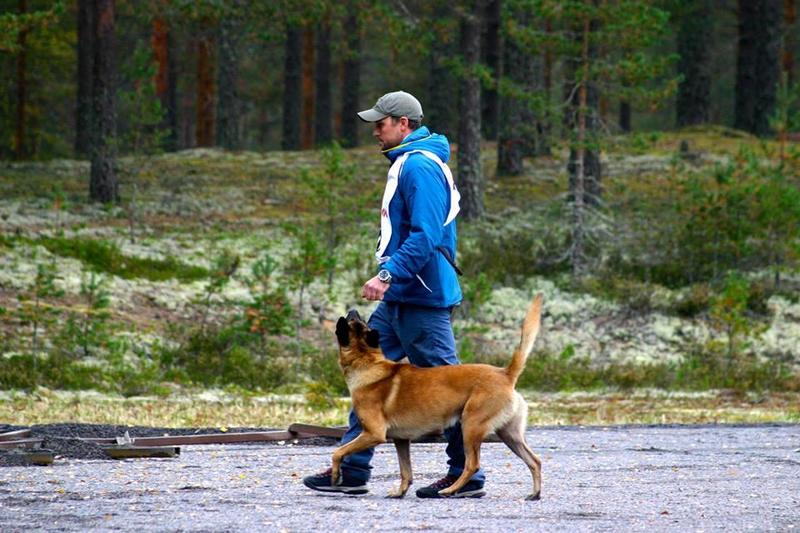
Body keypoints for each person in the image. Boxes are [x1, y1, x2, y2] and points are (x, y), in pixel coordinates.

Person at [302, 91, 485, 499]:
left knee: (453, 387)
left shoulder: (419, 167)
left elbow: (426, 236)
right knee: (368, 377)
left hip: (422, 298)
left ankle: (466, 474)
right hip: (403, 296)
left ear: (404, 125)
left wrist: (386, 273)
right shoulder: (406, 162)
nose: (375, 131)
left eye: (381, 124)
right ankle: (351, 470)